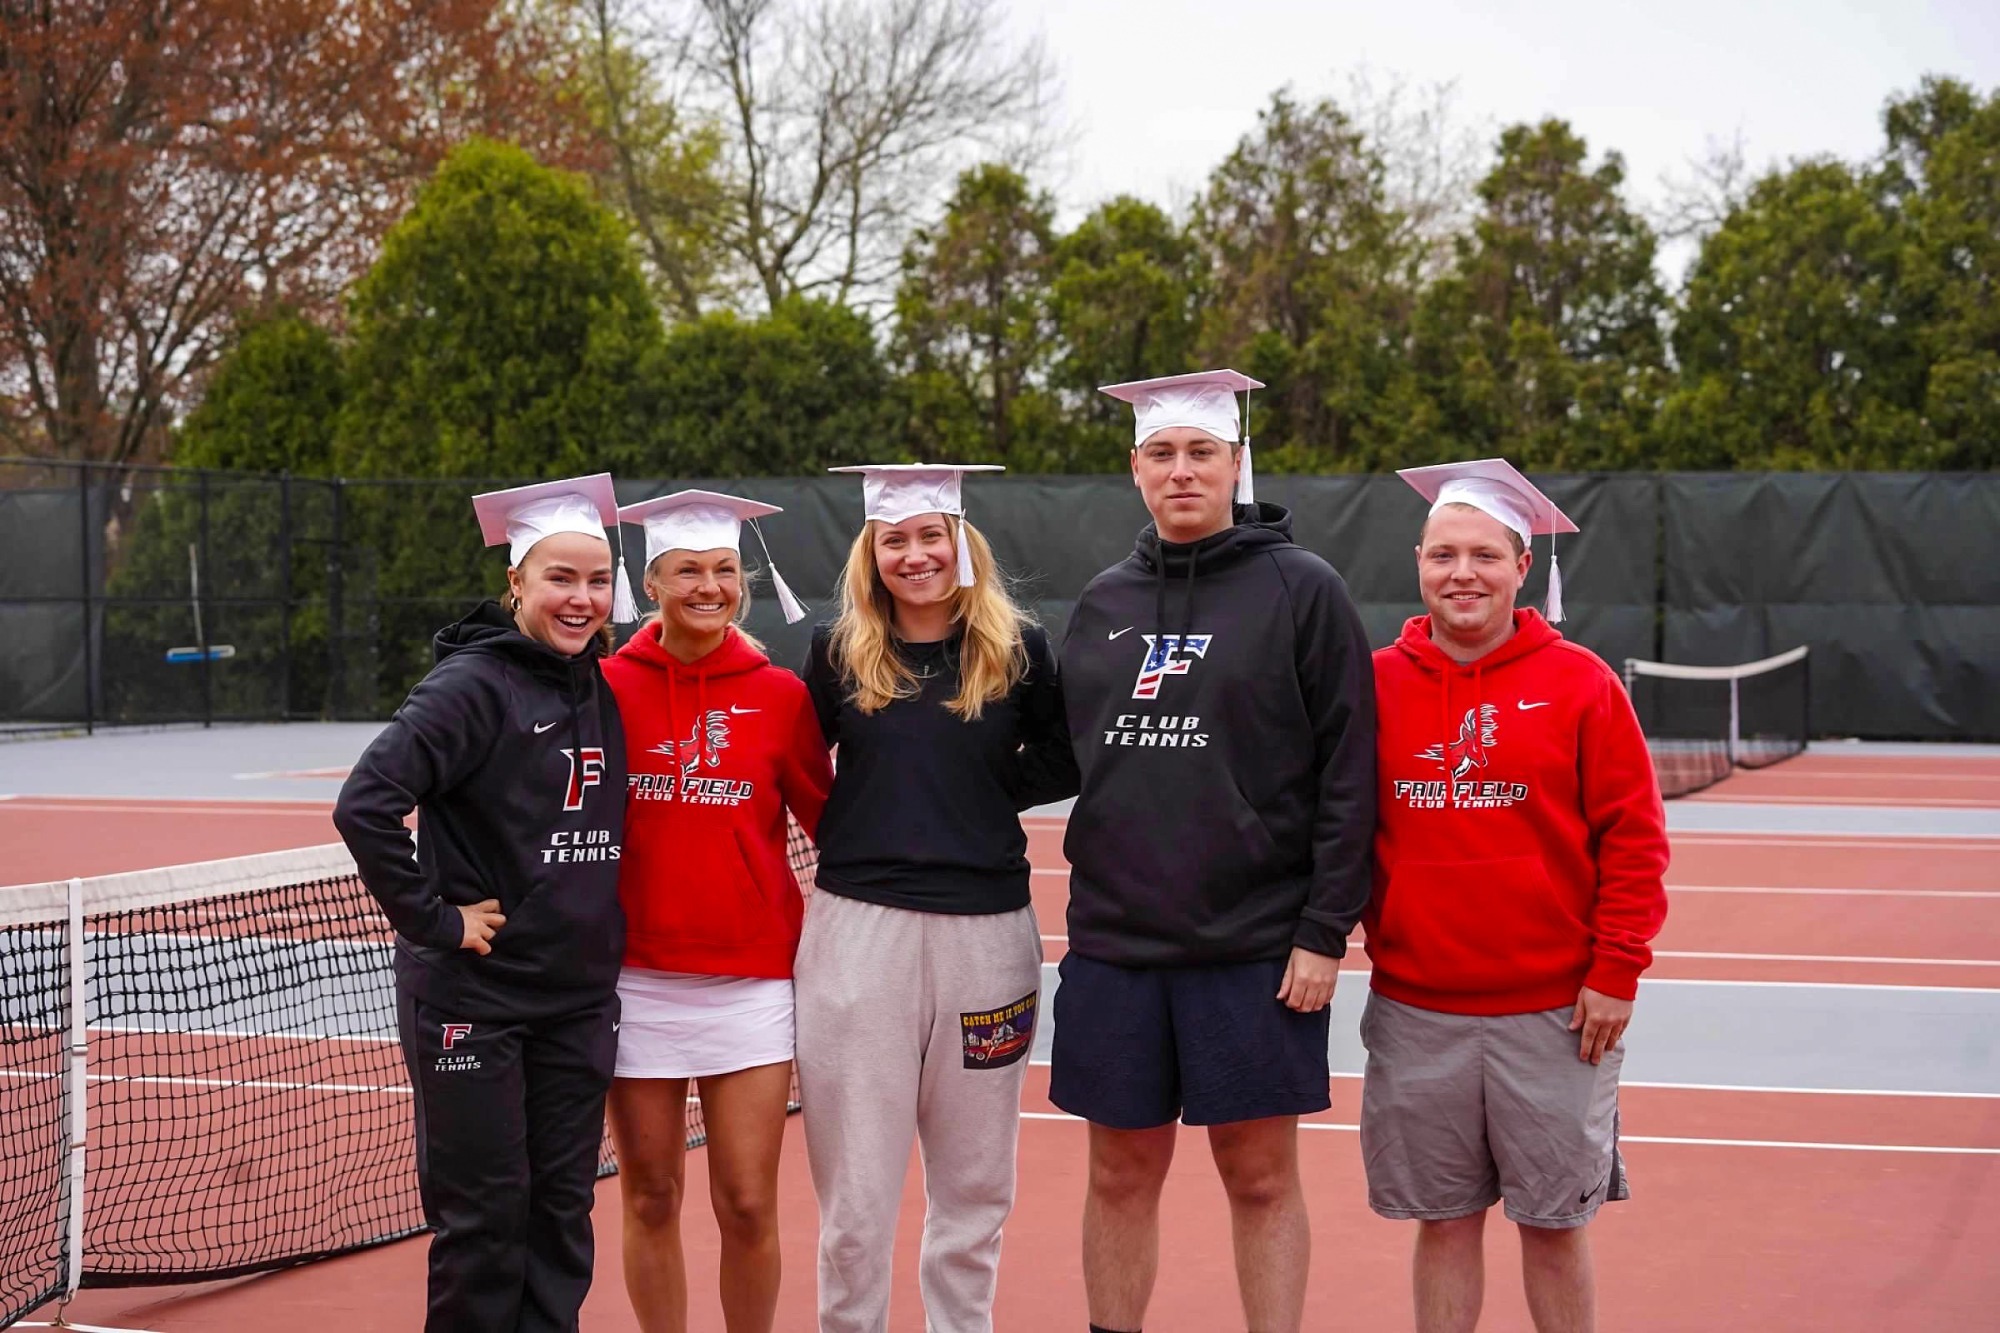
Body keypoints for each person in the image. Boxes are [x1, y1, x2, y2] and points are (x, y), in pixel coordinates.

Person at [1051, 370, 1377, 1333]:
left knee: (1261, 1173)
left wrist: (1323, 930)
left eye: (1202, 452)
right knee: (1119, 1171)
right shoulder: (1105, 600)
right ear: (1136, 469)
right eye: (1162, 454)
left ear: (1238, 462)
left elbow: (1349, 771)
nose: (1182, 470)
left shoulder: (1304, 588)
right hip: (1116, 944)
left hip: (1256, 949)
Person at [1363, 459, 1669, 1333]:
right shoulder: (1376, 682)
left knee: (1554, 1226)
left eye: (1485, 555)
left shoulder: (1583, 683)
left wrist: (1617, 970)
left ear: (1522, 566)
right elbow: (1336, 825)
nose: (1463, 573)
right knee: (1446, 1224)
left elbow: (1636, 840)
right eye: (1443, 554)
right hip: (1417, 1011)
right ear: (1419, 562)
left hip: (1558, 1016)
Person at [332, 473, 629, 1332]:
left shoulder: (601, 682)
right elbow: (367, 802)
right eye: (559, 579)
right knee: (485, 1222)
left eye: (596, 580)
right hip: (475, 1004)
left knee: (559, 1216)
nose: (580, 599)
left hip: (575, 1003)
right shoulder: (472, 685)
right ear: (518, 584)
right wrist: (435, 919)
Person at [796, 463, 1078, 1333]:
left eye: (931, 536)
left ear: (962, 542)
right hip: (857, 939)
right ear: (871, 553)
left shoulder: (1019, 645)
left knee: (975, 1187)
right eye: (895, 540)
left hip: (989, 944)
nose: (914, 555)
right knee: (856, 1198)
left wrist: (979, 795)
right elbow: (804, 770)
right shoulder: (837, 652)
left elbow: (1063, 760)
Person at [599, 490, 833, 1333]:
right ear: (652, 581)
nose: (709, 585)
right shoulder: (605, 688)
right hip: (635, 984)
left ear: (745, 580)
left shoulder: (780, 695)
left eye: (724, 569)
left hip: (752, 984)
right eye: (687, 570)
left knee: (745, 1200)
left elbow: (832, 823)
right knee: (652, 1195)